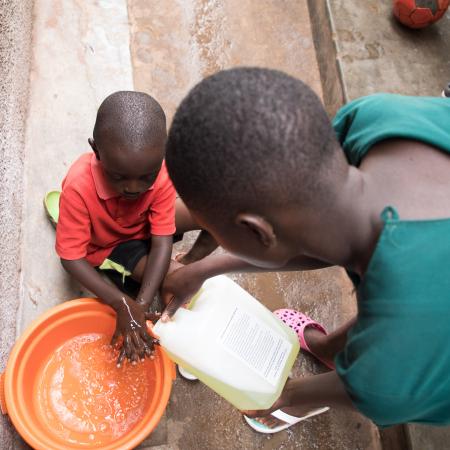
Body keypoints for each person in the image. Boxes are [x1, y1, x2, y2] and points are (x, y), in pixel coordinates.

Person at [160, 67, 450, 431]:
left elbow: (365, 392)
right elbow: (319, 236)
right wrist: (205, 267)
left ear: (255, 231)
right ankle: (328, 348)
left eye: (210, 231)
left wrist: (285, 395)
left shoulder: (403, 346)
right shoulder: (377, 119)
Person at [54, 91, 216, 368]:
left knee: (219, 214)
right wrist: (121, 303)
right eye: (118, 177)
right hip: (112, 243)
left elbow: (161, 241)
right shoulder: (79, 187)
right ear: (96, 151)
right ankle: (175, 279)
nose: (133, 187)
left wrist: (139, 304)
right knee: (180, 284)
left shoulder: (160, 171)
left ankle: (187, 261)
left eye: (146, 177)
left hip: (146, 222)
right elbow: (71, 257)